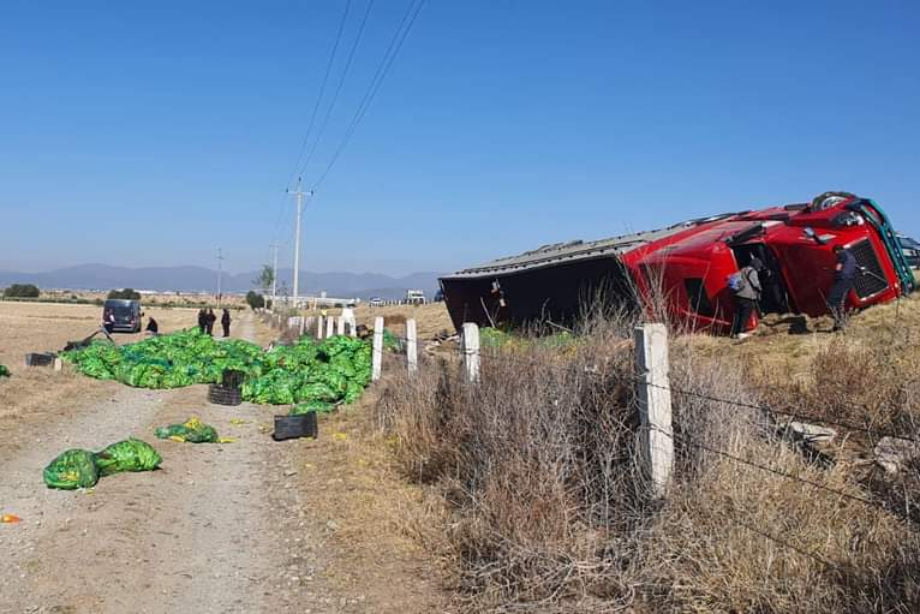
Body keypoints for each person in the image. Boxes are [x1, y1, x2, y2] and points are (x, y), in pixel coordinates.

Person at [827, 245, 858, 331]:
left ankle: (840, 321)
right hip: (849, 281)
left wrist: (834, 272)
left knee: (832, 300)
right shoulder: (851, 256)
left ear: (837, 251)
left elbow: (839, 266)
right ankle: (840, 323)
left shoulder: (842, 254)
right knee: (839, 301)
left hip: (842, 279)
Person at [729, 259, 762, 339]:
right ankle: (741, 332)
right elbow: (755, 283)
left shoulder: (743, 269)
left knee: (738, 314)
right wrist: (760, 288)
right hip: (747, 296)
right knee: (745, 314)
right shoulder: (752, 271)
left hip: (738, 295)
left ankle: (734, 333)